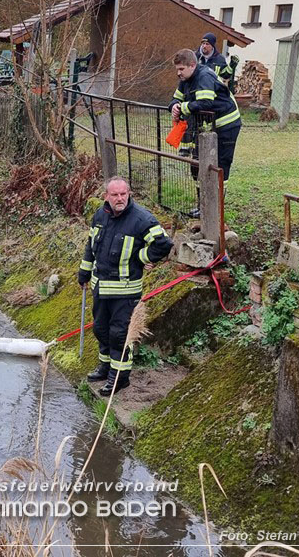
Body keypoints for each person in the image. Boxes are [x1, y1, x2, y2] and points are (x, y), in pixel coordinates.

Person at [78, 178, 173, 396]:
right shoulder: (100, 216)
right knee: (101, 330)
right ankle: (105, 367)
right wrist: (84, 272)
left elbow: (164, 244)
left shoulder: (141, 219)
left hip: (125, 290)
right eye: (115, 195)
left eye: (123, 194)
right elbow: (90, 247)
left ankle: (119, 378)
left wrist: (141, 257)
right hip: (100, 287)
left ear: (129, 193)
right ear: (106, 196)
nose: (120, 199)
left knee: (119, 335)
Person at [169, 49, 242, 217]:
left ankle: (215, 210)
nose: (178, 73)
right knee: (197, 165)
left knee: (220, 166)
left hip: (227, 125)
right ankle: (202, 206)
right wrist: (174, 106)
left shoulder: (204, 76)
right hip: (206, 128)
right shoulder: (186, 79)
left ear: (192, 65)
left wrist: (183, 107)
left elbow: (205, 102)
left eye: (181, 69)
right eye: (177, 69)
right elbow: (175, 99)